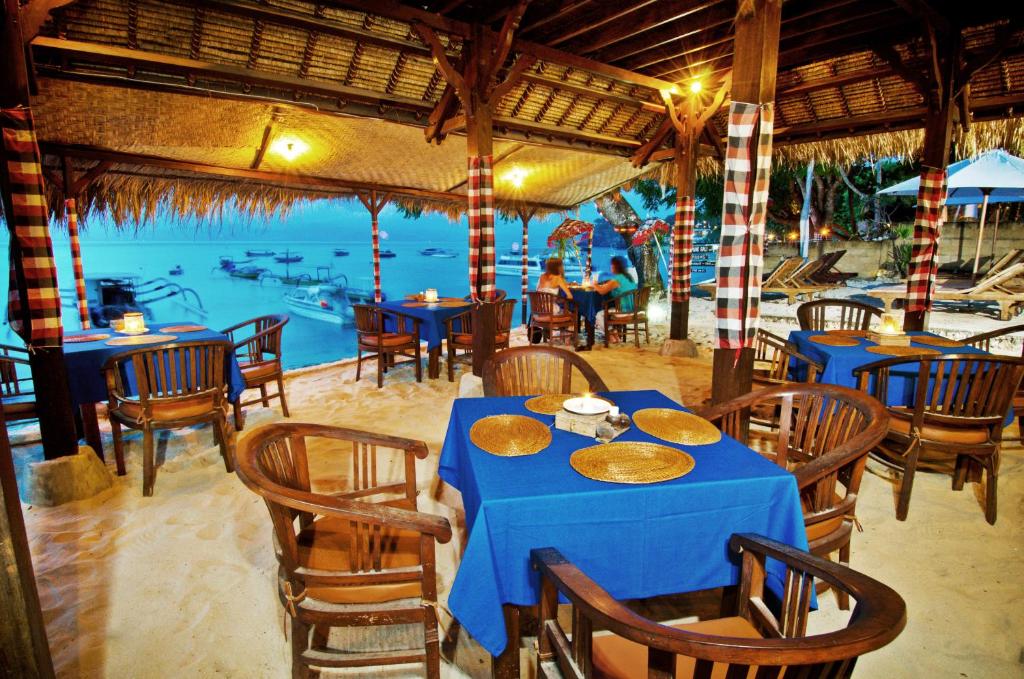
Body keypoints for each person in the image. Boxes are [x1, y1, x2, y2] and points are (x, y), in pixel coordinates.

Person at [593, 255, 637, 341]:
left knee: (598, 315)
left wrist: (594, 284)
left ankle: (610, 335)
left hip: (623, 311)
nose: (610, 267)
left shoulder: (617, 279)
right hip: (633, 309)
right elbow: (610, 287)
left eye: (611, 265)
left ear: (615, 266)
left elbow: (602, 291)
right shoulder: (629, 277)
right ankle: (615, 334)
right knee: (607, 310)